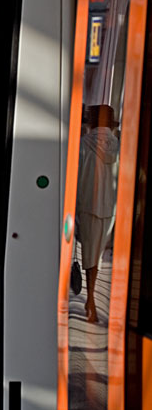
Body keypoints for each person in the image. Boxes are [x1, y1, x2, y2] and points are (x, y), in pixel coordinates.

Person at [75, 104, 119, 323]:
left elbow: (76, 176)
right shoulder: (118, 146)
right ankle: (91, 296)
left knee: (89, 254)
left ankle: (90, 298)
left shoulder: (83, 144)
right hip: (109, 209)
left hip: (87, 206)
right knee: (98, 255)